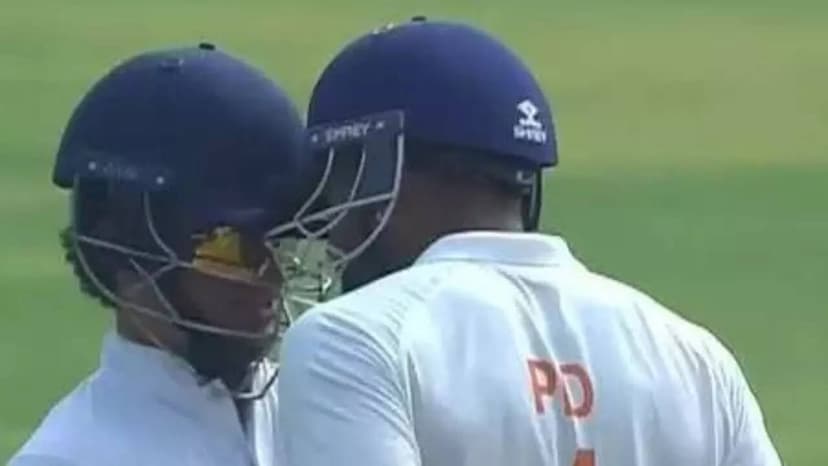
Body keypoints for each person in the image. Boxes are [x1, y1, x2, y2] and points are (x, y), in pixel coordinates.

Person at [276, 18, 782, 466]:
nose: (332, 233)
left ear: (377, 177)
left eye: (335, 191)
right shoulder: (698, 360)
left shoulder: (350, 341)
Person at [10, 43, 312, 466]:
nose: (272, 277)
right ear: (130, 254)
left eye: (283, 241)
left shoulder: (328, 409)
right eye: (230, 247)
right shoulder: (70, 458)